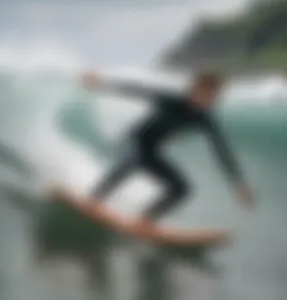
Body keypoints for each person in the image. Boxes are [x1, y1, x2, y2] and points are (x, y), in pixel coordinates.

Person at [81, 69, 255, 228]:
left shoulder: (204, 119)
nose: (212, 99)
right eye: (209, 93)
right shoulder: (172, 100)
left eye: (215, 95)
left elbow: (221, 149)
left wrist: (237, 182)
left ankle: (146, 219)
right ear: (195, 89)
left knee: (181, 188)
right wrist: (104, 84)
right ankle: (95, 199)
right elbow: (138, 90)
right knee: (132, 160)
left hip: (151, 152)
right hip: (132, 141)